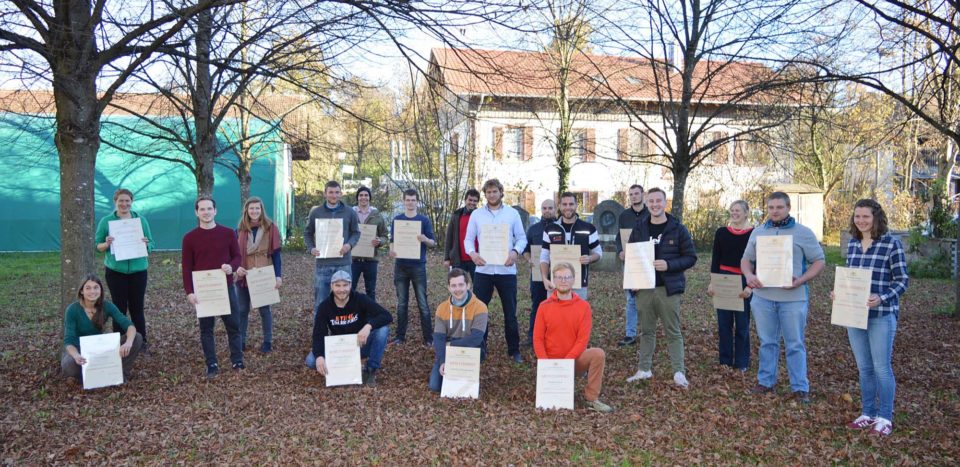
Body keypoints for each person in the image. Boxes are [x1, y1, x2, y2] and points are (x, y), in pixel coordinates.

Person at [741, 191, 825, 404]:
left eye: (779, 207)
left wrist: (800, 280)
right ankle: (766, 381)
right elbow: (746, 260)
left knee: (794, 343)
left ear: (788, 208)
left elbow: (819, 261)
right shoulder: (758, 232)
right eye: (771, 207)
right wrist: (749, 276)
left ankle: (799, 387)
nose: (775, 211)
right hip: (763, 297)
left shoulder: (803, 232)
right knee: (767, 342)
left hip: (793, 298)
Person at [835, 199, 908, 437]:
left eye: (866, 216)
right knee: (864, 368)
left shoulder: (891, 244)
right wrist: (840, 292)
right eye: (857, 216)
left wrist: (882, 297)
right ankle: (868, 413)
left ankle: (885, 417)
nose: (861, 221)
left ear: (876, 218)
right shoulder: (853, 244)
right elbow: (851, 278)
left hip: (881, 315)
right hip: (854, 314)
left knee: (881, 368)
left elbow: (902, 281)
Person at [625, 188, 698, 389]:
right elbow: (632, 257)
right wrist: (633, 282)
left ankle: (679, 372)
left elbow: (691, 257)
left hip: (668, 288)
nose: (655, 204)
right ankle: (644, 369)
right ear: (646, 203)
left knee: (673, 331)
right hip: (644, 288)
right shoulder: (639, 227)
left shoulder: (678, 228)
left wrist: (669, 264)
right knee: (646, 331)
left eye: (659, 201)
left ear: (665, 203)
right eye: (651, 201)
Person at [533, 262, 613, 413]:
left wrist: (566, 363)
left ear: (573, 280)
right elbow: (537, 339)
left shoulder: (583, 307)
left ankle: (592, 399)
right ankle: (550, 387)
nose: (563, 281)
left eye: (567, 277)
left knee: (598, 354)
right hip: (550, 362)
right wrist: (546, 364)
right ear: (554, 280)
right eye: (559, 277)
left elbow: (582, 340)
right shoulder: (544, 306)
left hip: (573, 361)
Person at [463, 178, 528, 363]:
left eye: (495, 191)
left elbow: (522, 238)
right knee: (480, 311)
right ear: (485, 194)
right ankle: (480, 347)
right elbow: (468, 239)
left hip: (507, 271)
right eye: (488, 192)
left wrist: (515, 252)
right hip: (483, 270)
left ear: (501, 192)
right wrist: (472, 254)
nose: (492, 195)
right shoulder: (477, 215)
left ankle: (514, 350)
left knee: (510, 312)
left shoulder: (512, 214)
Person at [181, 196, 244, 378]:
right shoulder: (189, 238)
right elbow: (187, 267)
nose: (206, 212)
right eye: (202, 209)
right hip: (203, 290)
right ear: (196, 212)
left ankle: (237, 360)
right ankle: (212, 363)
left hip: (225, 287)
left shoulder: (228, 233)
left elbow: (237, 256)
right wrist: (189, 291)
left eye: (209, 209)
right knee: (206, 329)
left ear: (215, 211)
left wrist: (231, 267)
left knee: (233, 325)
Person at [303, 180, 360, 366]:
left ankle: (345, 343)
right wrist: (311, 248)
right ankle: (319, 344)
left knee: (346, 302)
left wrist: (349, 245)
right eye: (331, 192)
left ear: (341, 193)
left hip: (343, 264)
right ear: (325, 193)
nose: (334, 195)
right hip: (323, 264)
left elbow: (356, 232)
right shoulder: (316, 212)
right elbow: (307, 233)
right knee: (320, 304)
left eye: (337, 192)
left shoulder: (350, 212)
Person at [95, 188, 155, 349]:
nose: (124, 204)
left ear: (131, 202)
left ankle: (141, 343)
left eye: (127, 201)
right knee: (119, 309)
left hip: (138, 272)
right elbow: (97, 246)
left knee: (137, 308)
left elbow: (152, 243)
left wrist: (146, 244)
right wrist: (107, 244)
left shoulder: (140, 220)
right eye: (121, 200)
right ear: (115, 202)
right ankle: (120, 343)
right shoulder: (106, 221)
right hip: (116, 272)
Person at [311, 271, 393, 387]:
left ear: (350, 285)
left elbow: (387, 316)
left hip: (359, 344)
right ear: (331, 286)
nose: (342, 289)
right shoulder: (324, 306)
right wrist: (319, 356)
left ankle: (370, 369)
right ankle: (339, 369)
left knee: (382, 330)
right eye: (337, 285)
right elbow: (318, 334)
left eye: (345, 285)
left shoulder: (360, 299)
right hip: (338, 349)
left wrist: (368, 326)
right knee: (311, 361)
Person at [61, 274, 143, 384]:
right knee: (68, 365)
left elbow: (129, 325)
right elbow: (69, 340)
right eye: (88, 288)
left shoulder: (106, 306)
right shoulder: (72, 310)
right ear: (81, 291)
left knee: (137, 337)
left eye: (96, 287)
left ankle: (120, 372)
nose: (92, 291)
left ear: (100, 290)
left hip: (100, 347)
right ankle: (90, 375)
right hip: (80, 350)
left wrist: (128, 342)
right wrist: (76, 355)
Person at [706, 200, 754, 371]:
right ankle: (725, 361)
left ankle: (741, 362)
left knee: (742, 325)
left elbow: (757, 262)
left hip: (744, 279)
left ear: (746, 212)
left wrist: (750, 286)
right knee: (724, 324)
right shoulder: (721, 232)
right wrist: (712, 281)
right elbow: (716, 259)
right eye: (732, 210)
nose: (734, 213)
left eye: (738, 210)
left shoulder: (754, 234)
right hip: (723, 279)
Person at [389, 188, 437, 346]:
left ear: (417, 202)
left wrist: (425, 239)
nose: (410, 203)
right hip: (401, 266)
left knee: (422, 303)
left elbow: (433, 243)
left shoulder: (424, 220)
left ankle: (428, 338)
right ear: (403, 201)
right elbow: (392, 241)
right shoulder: (397, 220)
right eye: (408, 200)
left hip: (418, 267)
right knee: (402, 303)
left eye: (413, 200)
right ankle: (400, 337)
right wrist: (391, 250)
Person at [234, 196, 282, 354]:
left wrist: (278, 275)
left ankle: (267, 341)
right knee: (242, 310)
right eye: (251, 208)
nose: (254, 211)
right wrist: (236, 268)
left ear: (262, 210)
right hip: (244, 273)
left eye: (257, 208)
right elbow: (234, 254)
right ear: (246, 210)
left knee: (264, 309)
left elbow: (276, 254)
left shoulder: (270, 227)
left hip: (263, 273)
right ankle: (241, 341)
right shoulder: (239, 229)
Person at [429, 268, 488, 393]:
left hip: (471, 347)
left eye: (461, 285)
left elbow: (476, 338)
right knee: (435, 386)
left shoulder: (480, 307)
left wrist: (450, 345)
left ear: (468, 285)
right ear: (449, 288)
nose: (457, 289)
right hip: (449, 349)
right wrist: (443, 361)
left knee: (468, 389)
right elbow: (438, 338)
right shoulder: (441, 308)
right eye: (453, 286)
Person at [539, 192, 602, 300]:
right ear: (559, 206)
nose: (568, 207)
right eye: (564, 204)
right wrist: (545, 279)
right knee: (555, 311)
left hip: (579, 283)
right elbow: (544, 256)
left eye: (571, 204)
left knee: (578, 311)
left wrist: (589, 258)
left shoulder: (588, 228)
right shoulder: (550, 229)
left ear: (576, 205)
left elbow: (599, 253)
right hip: (555, 283)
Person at [522, 198, 557, 347]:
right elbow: (525, 250)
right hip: (538, 274)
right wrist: (529, 259)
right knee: (537, 304)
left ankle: (553, 337)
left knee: (556, 306)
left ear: (555, 209)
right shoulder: (533, 229)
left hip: (558, 274)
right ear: (541, 210)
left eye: (550, 208)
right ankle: (533, 337)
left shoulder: (561, 227)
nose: (547, 211)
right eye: (544, 208)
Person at [615, 184, 645, 347]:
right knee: (631, 299)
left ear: (643, 194)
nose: (634, 196)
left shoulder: (650, 214)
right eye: (631, 194)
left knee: (648, 299)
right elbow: (618, 237)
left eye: (636, 193)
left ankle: (648, 332)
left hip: (647, 262)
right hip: (629, 263)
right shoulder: (624, 216)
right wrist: (620, 250)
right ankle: (630, 334)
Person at [351, 186, 389, 301]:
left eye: (366, 195)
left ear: (370, 198)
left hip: (371, 260)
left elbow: (385, 235)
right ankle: (350, 311)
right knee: (349, 289)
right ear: (357, 198)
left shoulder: (377, 215)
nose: (363, 197)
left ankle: (371, 312)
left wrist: (379, 241)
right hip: (352, 260)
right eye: (361, 195)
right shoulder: (350, 214)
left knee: (371, 291)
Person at [444, 189, 481, 280]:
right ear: (465, 200)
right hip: (458, 260)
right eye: (470, 200)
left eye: (475, 201)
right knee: (458, 285)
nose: (472, 203)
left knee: (478, 286)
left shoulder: (481, 216)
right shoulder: (456, 215)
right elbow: (449, 237)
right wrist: (447, 258)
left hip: (476, 258)